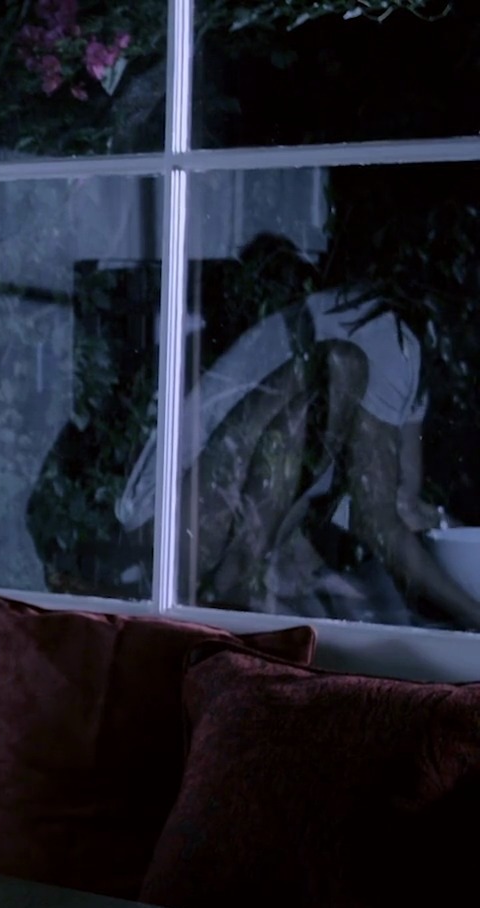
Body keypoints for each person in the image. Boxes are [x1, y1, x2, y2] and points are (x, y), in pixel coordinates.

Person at [117, 237, 480, 630]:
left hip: (213, 524)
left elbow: (402, 502)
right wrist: (473, 614)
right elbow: (375, 519)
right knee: (343, 364)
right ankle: (242, 579)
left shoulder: (408, 355)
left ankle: (251, 576)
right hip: (167, 526)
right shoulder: (384, 335)